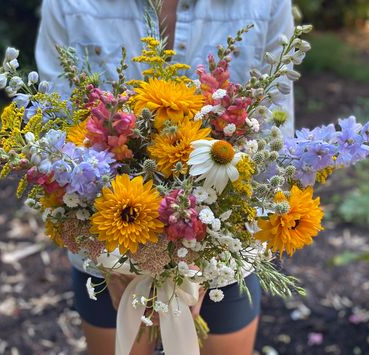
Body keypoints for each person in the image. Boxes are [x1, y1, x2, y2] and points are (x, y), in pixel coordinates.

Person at [35, 1, 294, 354]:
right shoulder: (68, 5)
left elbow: (272, 157)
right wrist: (114, 264)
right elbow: (55, 144)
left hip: (226, 263)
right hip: (109, 264)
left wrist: (198, 267)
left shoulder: (266, 5)